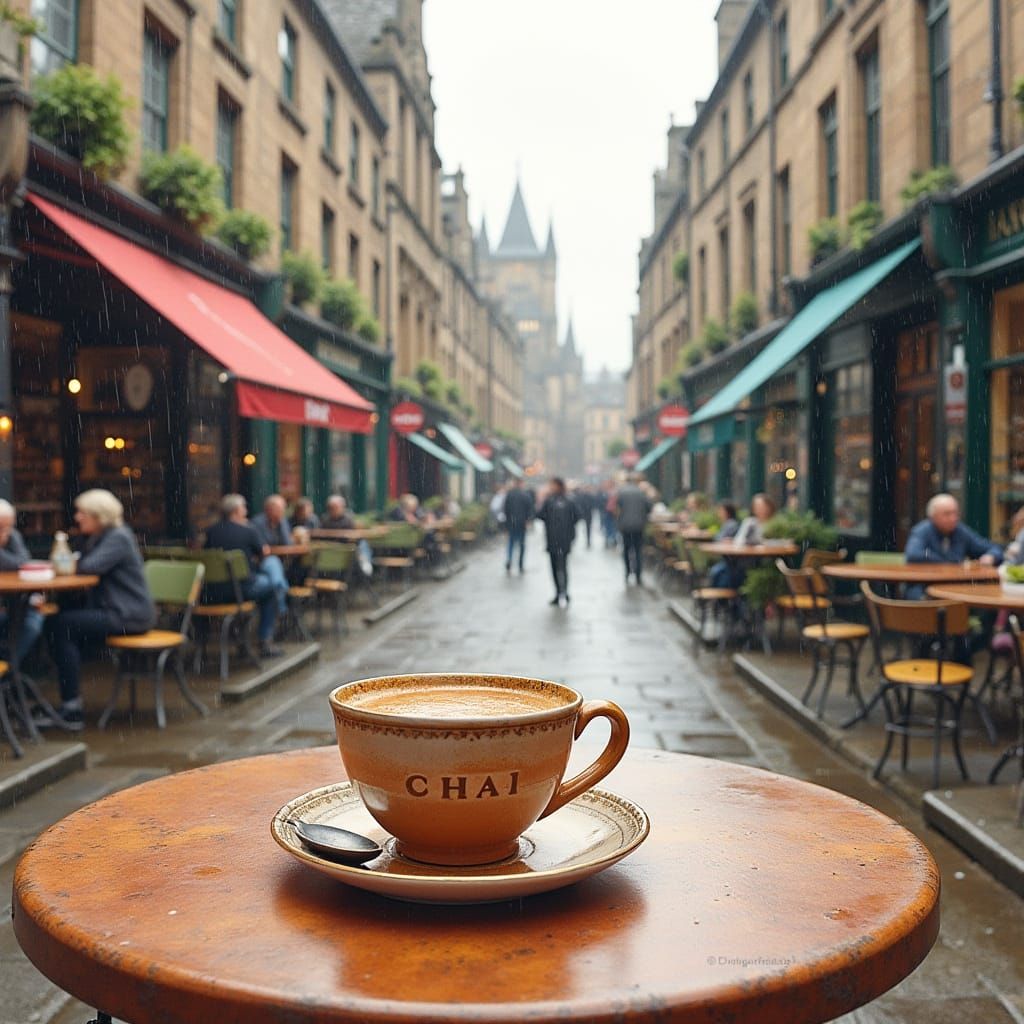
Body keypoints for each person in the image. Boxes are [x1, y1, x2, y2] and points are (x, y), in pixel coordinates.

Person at [45, 490, 156, 729]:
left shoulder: (118, 537)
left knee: (61, 626)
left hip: (128, 615)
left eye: (82, 513)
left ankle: (72, 707)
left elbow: (88, 566)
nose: (77, 517)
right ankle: (69, 701)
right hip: (116, 611)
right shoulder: (99, 537)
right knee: (58, 622)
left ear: (99, 515)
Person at [205, 494, 282, 658]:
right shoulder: (248, 531)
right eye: (243, 508)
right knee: (272, 588)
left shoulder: (212, 531)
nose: (246, 511)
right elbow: (265, 552)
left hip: (214, 592)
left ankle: (239, 635)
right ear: (236, 511)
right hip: (241, 590)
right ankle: (265, 640)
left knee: (264, 583)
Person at [904, 493, 1002, 600]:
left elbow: (993, 548)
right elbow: (913, 554)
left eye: (955, 513)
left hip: (955, 587)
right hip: (925, 585)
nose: (953, 518)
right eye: (947, 514)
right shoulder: (921, 531)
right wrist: (951, 562)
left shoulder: (961, 531)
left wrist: (991, 556)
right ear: (933, 517)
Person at [0, 499, 45, 669]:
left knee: (32, 622)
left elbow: (22, 563)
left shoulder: (12, 535)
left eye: (9, 526)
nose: (6, 531)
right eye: (1, 527)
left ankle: (8, 669)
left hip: (11, 603)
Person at [709, 493, 776, 589]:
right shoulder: (750, 522)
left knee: (724, 572)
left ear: (769, 507)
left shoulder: (775, 523)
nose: (759, 509)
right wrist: (734, 541)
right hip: (744, 560)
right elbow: (739, 540)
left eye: (762, 506)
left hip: (765, 561)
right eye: (757, 506)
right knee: (719, 571)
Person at [537, 478, 579, 608]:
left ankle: (563, 592)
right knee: (558, 567)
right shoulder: (556, 501)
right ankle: (560, 592)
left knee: (560, 567)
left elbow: (539, 515)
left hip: (558, 540)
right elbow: (540, 515)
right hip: (557, 540)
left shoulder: (558, 501)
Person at [613, 473, 652, 585]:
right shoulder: (641, 492)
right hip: (639, 526)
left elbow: (616, 508)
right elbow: (649, 507)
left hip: (625, 526)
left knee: (626, 550)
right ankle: (638, 575)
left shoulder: (621, 492)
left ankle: (627, 572)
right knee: (638, 550)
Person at [503, 478, 534, 573]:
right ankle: (520, 564)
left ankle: (509, 560)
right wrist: (528, 520)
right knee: (521, 545)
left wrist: (507, 524)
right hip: (521, 523)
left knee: (511, 543)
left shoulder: (510, 495)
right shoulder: (525, 495)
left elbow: (506, 510)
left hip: (512, 523)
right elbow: (530, 509)